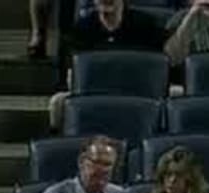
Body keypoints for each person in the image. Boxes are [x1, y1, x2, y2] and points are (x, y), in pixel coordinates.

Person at [47, 0, 166, 132]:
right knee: (57, 101)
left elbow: (161, 66)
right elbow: (72, 75)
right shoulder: (81, 28)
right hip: (93, 94)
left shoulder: (146, 25)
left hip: (139, 93)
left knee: (176, 93)